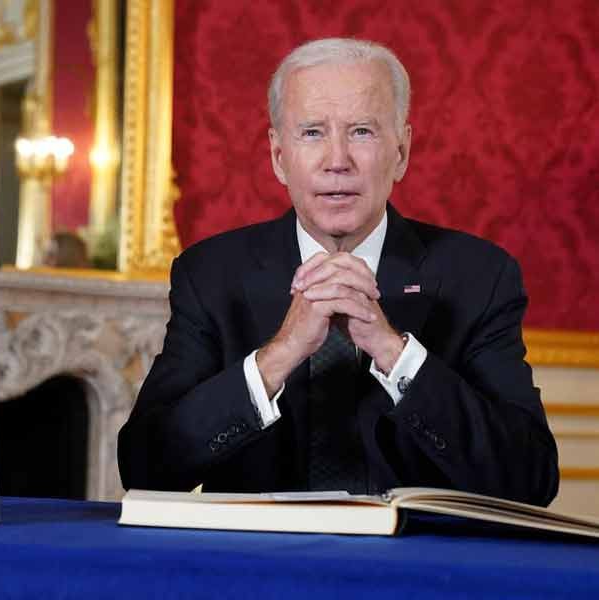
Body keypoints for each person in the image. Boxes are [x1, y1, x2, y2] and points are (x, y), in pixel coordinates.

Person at [118, 38, 559, 506]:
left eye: (362, 132)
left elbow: (530, 480)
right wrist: (279, 355)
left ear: (401, 152)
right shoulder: (210, 275)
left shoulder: (479, 277)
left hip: (415, 550)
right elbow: (145, 467)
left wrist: (394, 353)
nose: (337, 161)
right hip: (259, 551)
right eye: (312, 133)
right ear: (279, 157)